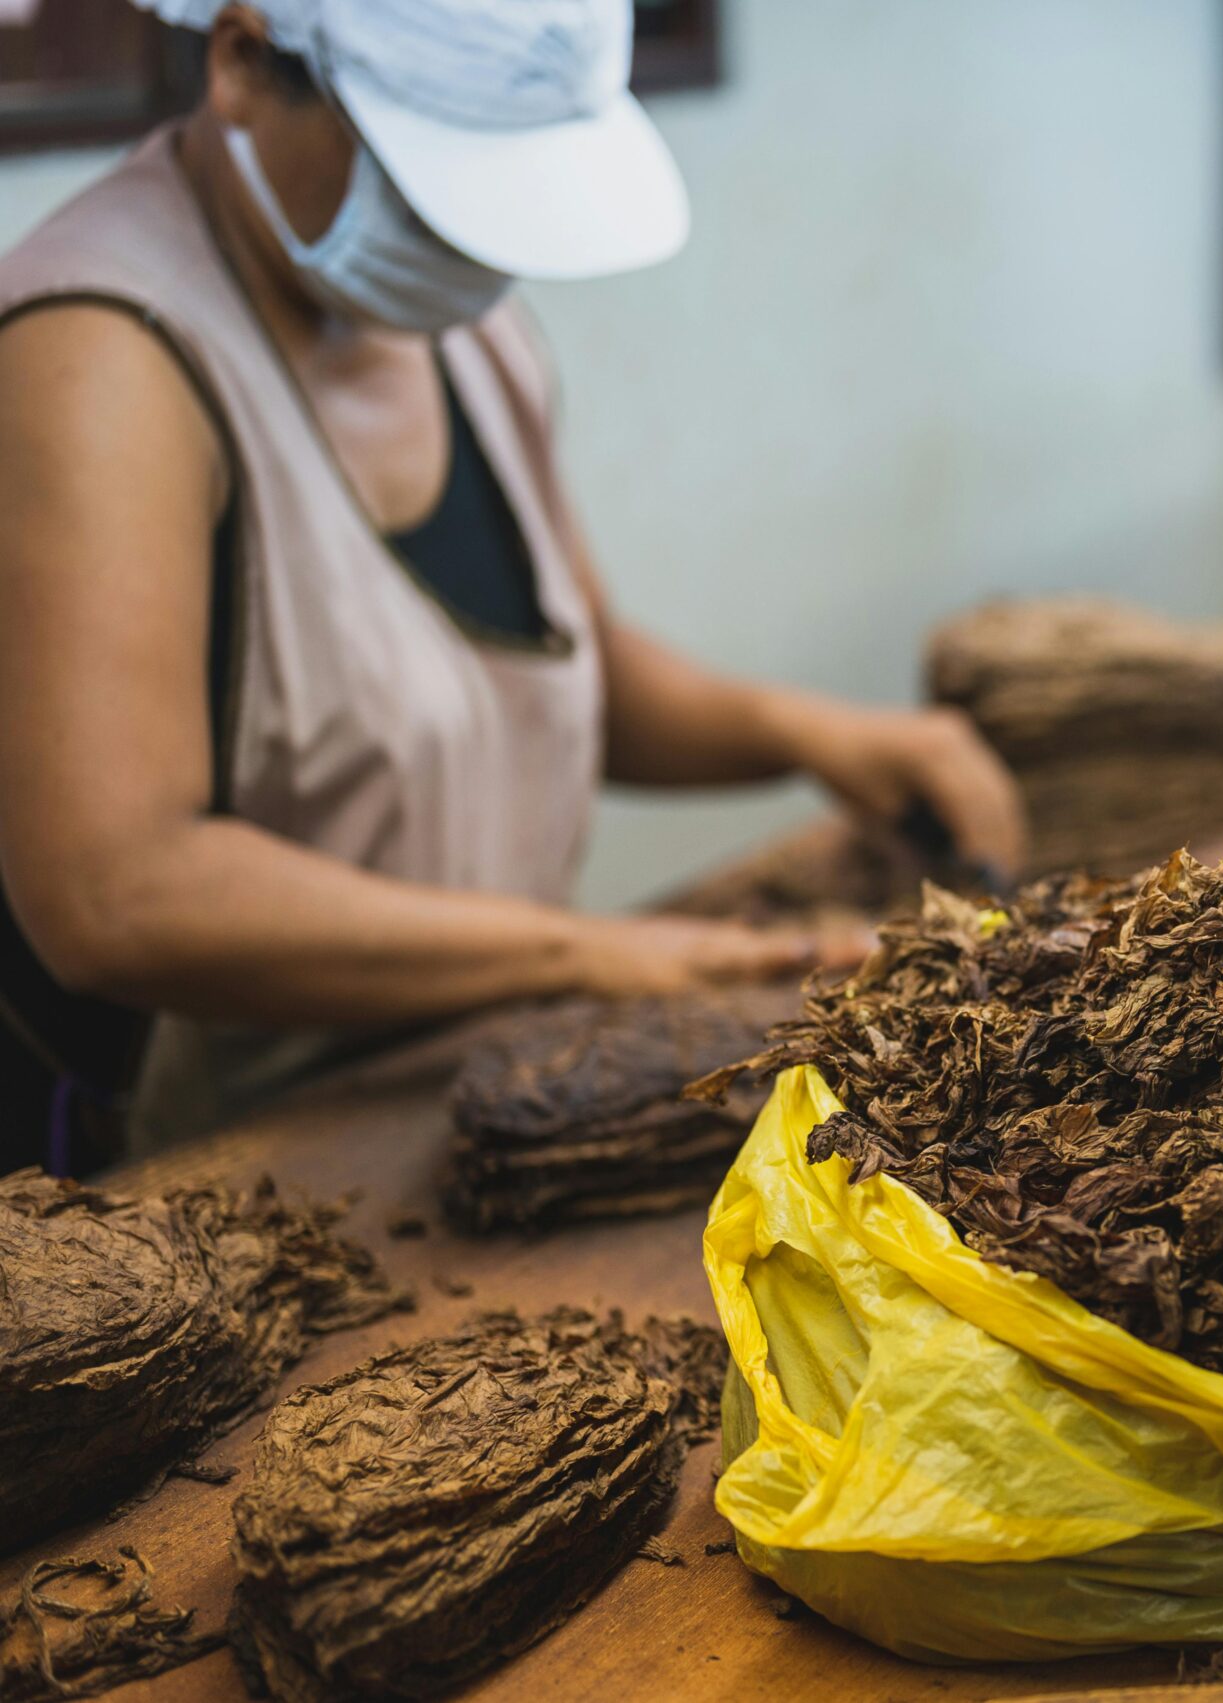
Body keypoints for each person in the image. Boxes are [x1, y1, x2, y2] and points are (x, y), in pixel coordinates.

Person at [0, 0, 1027, 1171]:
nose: (474, 251)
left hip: (448, 1089)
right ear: (240, 62)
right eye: (430, 182)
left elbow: (557, 664)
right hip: (194, 1157)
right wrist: (583, 952)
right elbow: (116, 892)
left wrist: (806, 731)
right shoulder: (94, 359)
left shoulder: (453, 323)